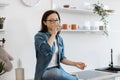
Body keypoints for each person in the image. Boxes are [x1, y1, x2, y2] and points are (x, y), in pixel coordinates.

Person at [34, 10, 86, 80]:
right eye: (51, 21)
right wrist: (53, 34)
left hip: (57, 70)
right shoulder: (39, 36)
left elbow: (62, 58)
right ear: (45, 22)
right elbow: (45, 51)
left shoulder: (59, 39)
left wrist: (75, 64)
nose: (55, 22)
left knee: (58, 72)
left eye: (56, 20)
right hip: (44, 71)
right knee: (56, 72)